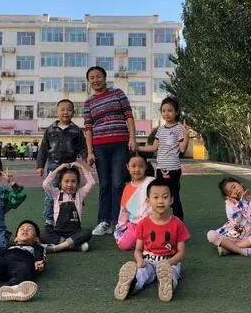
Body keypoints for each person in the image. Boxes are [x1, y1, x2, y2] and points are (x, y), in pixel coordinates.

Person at [114, 178, 190, 302]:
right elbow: (138, 250)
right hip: (148, 261)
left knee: (172, 273)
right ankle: (131, 285)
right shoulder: (143, 224)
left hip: (169, 262)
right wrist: (139, 260)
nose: (160, 201)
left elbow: (181, 252)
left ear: (171, 200)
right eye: (156, 197)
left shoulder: (177, 224)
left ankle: (168, 284)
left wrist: (169, 262)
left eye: (165, 197)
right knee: (141, 274)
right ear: (148, 201)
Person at [84, 66, 137, 236]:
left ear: (105, 77)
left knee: (118, 183)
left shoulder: (118, 94)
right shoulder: (88, 102)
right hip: (100, 147)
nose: (95, 80)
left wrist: (132, 138)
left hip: (120, 144)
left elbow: (129, 116)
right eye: (92, 78)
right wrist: (90, 152)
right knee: (105, 184)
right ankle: (104, 221)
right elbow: (88, 128)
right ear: (89, 81)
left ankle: (118, 221)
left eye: (98, 76)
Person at [37, 99, 86, 226]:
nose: (66, 112)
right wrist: (40, 165)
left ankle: (71, 218)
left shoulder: (76, 131)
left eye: (69, 110)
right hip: (54, 166)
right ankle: (49, 219)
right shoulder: (50, 130)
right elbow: (43, 149)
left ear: (73, 113)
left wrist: (88, 158)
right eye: (62, 109)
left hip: (70, 168)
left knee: (71, 193)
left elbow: (82, 147)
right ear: (57, 112)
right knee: (51, 194)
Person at [142, 97, 190, 221]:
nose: (166, 113)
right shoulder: (161, 129)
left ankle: (179, 223)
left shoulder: (179, 128)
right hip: (160, 169)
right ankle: (163, 220)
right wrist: (137, 147)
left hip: (173, 169)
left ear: (176, 112)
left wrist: (186, 136)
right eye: (163, 111)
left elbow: (182, 149)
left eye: (169, 110)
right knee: (160, 196)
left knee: (173, 197)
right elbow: (154, 147)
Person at [41, 162, 95, 252]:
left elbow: (92, 183)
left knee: (87, 232)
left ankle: (58, 247)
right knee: (44, 232)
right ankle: (74, 245)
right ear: (60, 182)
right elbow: (45, 184)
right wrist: (58, 169)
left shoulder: (80, 194)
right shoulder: (56, 194)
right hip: (58, 231)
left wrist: (81, 167)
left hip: (75, 231)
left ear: (78, 183)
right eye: (66, 181)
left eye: (73, 181)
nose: (69, 185)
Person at [206, 176, 251, 257]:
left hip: (247, 238)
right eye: (230, 193)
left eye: (234, 187)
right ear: (229, 197)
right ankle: (244, 251)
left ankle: (227, 249)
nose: (235, 191)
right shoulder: (229, 203)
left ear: (241, 184)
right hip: (229, 237)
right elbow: (236, 221)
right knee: (211, 235)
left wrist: (242, 203)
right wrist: (238, 204)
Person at [114, 153, 155, 251]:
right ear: (127, 167)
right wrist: (122, 227)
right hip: (134, 225)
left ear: (146, 166)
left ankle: (142, 242)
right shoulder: (127, 188)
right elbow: (124, 211)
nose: (137, 169)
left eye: (140, 166)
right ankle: (139, 241)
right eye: (133, 166)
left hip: (152, 224)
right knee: (124, 245)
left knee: (154, 245)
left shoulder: (152, 182)